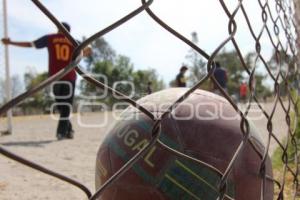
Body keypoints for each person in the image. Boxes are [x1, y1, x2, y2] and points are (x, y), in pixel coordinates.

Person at [2, 22, 91, 140]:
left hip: (56, 77)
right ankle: (69, 130)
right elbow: (87, 51)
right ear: (69, 31)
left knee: (61, 105)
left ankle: (61, 133)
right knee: (65, 106)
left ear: (58, 29)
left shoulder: (50, 38)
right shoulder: (73, 41)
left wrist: (11, 42)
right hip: (69, 77)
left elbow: (30, 44)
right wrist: (86, 49)